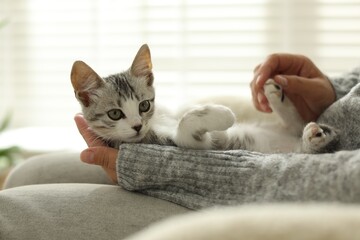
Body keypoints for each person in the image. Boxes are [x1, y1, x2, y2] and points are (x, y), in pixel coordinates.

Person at [1, 54, 360, 240]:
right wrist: (333, 89)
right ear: (85, 98)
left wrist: (161, 166)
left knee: (9, 213)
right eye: (115, 114)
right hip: (318, 129)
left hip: (271, 180)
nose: (138, 123)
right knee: (27, 172)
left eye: (143, 107)